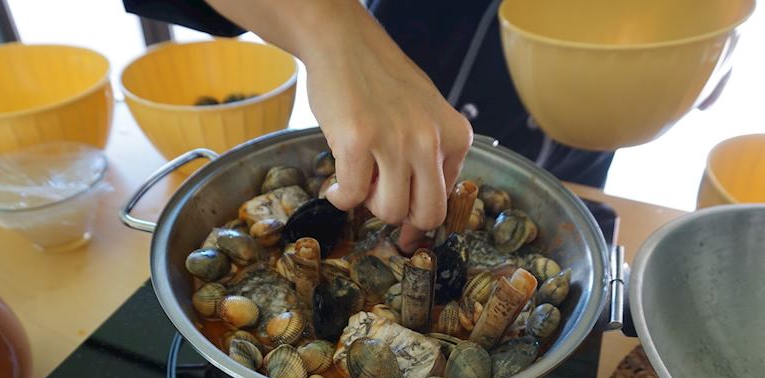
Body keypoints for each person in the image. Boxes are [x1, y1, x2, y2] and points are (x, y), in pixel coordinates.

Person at [124, 0, 614, 252]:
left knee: (567, 181)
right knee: (381, 169)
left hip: (608, 63)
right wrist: (332, 32)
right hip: (409, 40)